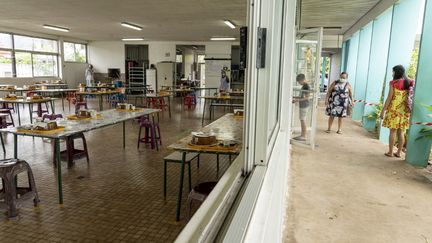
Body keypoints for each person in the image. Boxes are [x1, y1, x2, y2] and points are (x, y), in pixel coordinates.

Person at [380, 65, 414, 158]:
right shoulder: (410, 82)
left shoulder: (393, 83)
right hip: (404, 111)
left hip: (394, 110)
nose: (392, 73)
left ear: (397, 72)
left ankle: (390, 152)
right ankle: (398, 152)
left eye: (393, 71)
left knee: (392, 132)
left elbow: (389, 98)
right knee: (401, 132)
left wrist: (383, 111)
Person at [292, 74, 311, 141]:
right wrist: (294, 97)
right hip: (302, 105)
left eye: (298, 81)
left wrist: (297, 100)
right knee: (302, 120)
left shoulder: (307, 86)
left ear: (302, 80)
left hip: (304, 105)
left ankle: (303, 136)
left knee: (303, 120)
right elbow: (302, 97)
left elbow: (307, 98)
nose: (298, 83)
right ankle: (302, 135)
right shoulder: (304, 86)